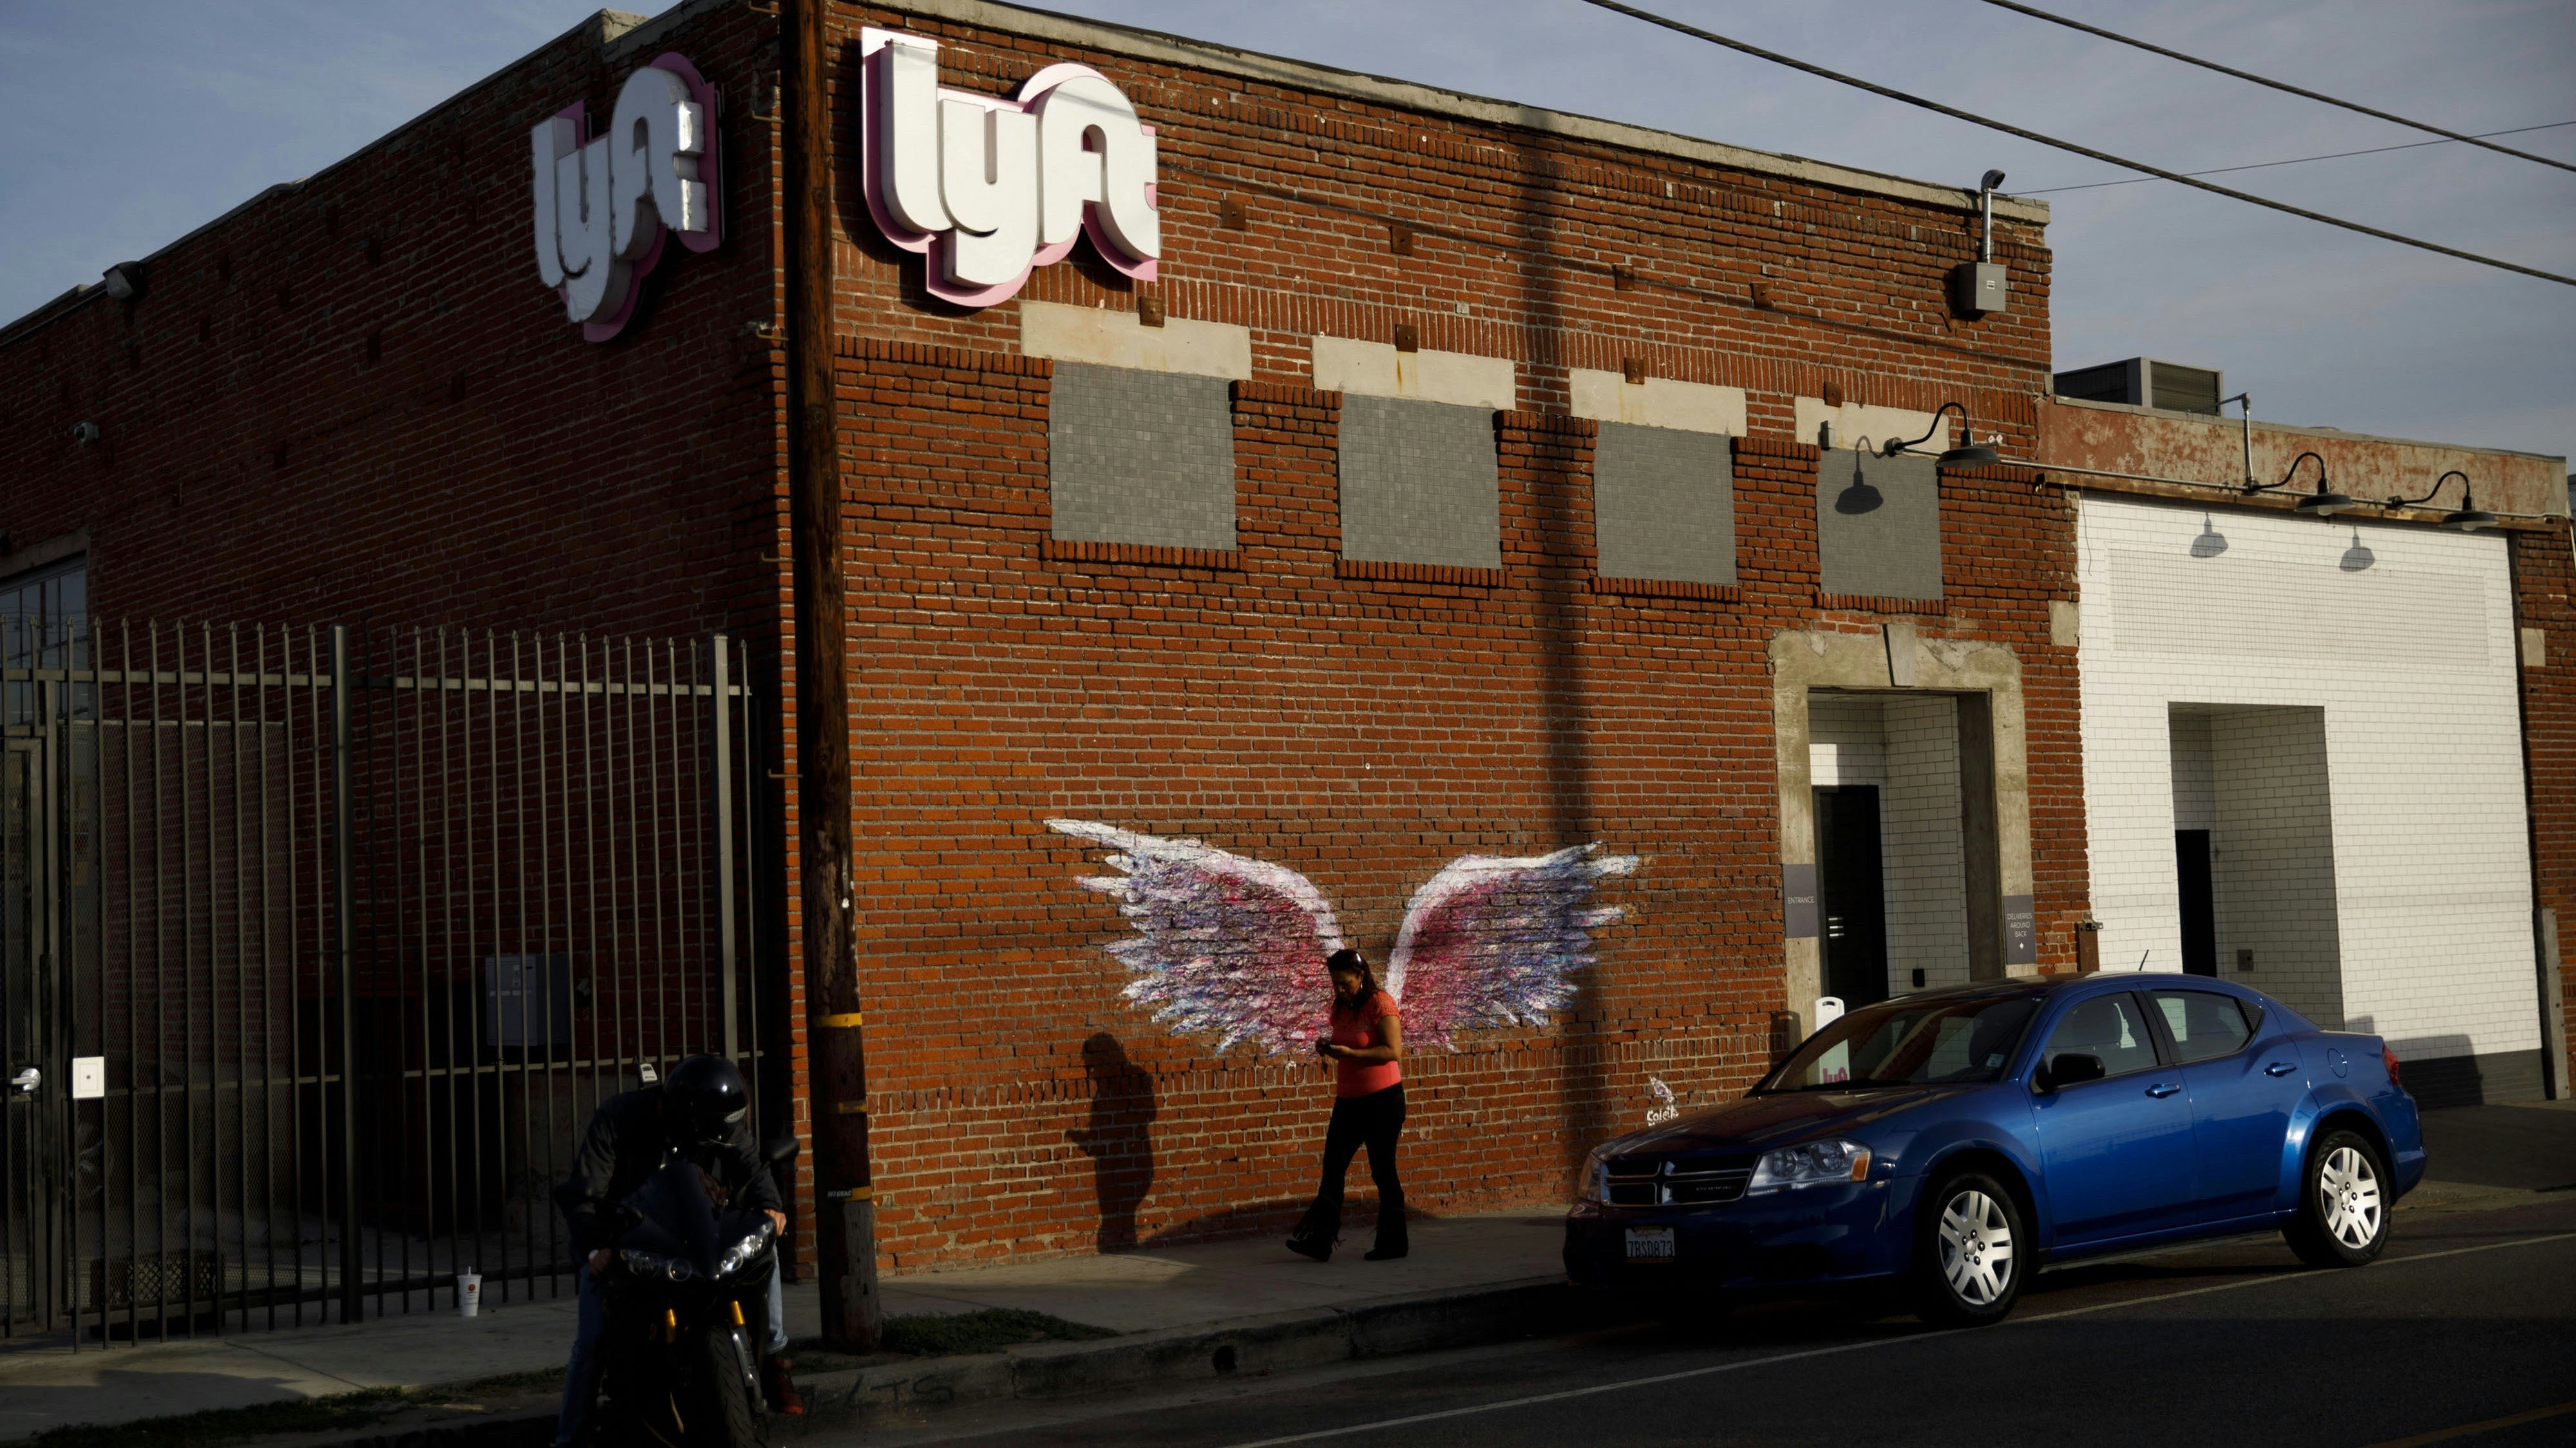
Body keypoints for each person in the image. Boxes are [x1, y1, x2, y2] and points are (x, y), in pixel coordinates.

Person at [551, 1055, 799, 1446]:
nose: (723, 1140)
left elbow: (750, 1163)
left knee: (763, 1246)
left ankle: (777, 1358)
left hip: (698, 1232)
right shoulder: (619, 1118)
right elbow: (585, 1192)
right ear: (688, 1116)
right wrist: (596, 1246)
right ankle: (571, 1436)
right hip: (625, 1238)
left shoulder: (721, 1120)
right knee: (593, 1338)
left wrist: (771, 1206)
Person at [1287, 948, 1408, 1262]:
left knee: (1382, 1170)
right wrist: (1327, 1047)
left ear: (1361, 976)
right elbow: (1348, 1040)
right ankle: (1319, 1240)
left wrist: (1351, 1055)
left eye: (1345, 983)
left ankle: (1394, 1242)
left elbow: (1393, 1051)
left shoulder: (1379, 1003)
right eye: (1335, 984)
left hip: (1383, 1100)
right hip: (1349, 1101)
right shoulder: (1341, 1007)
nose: (1339, 990)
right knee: (1333, 1167)